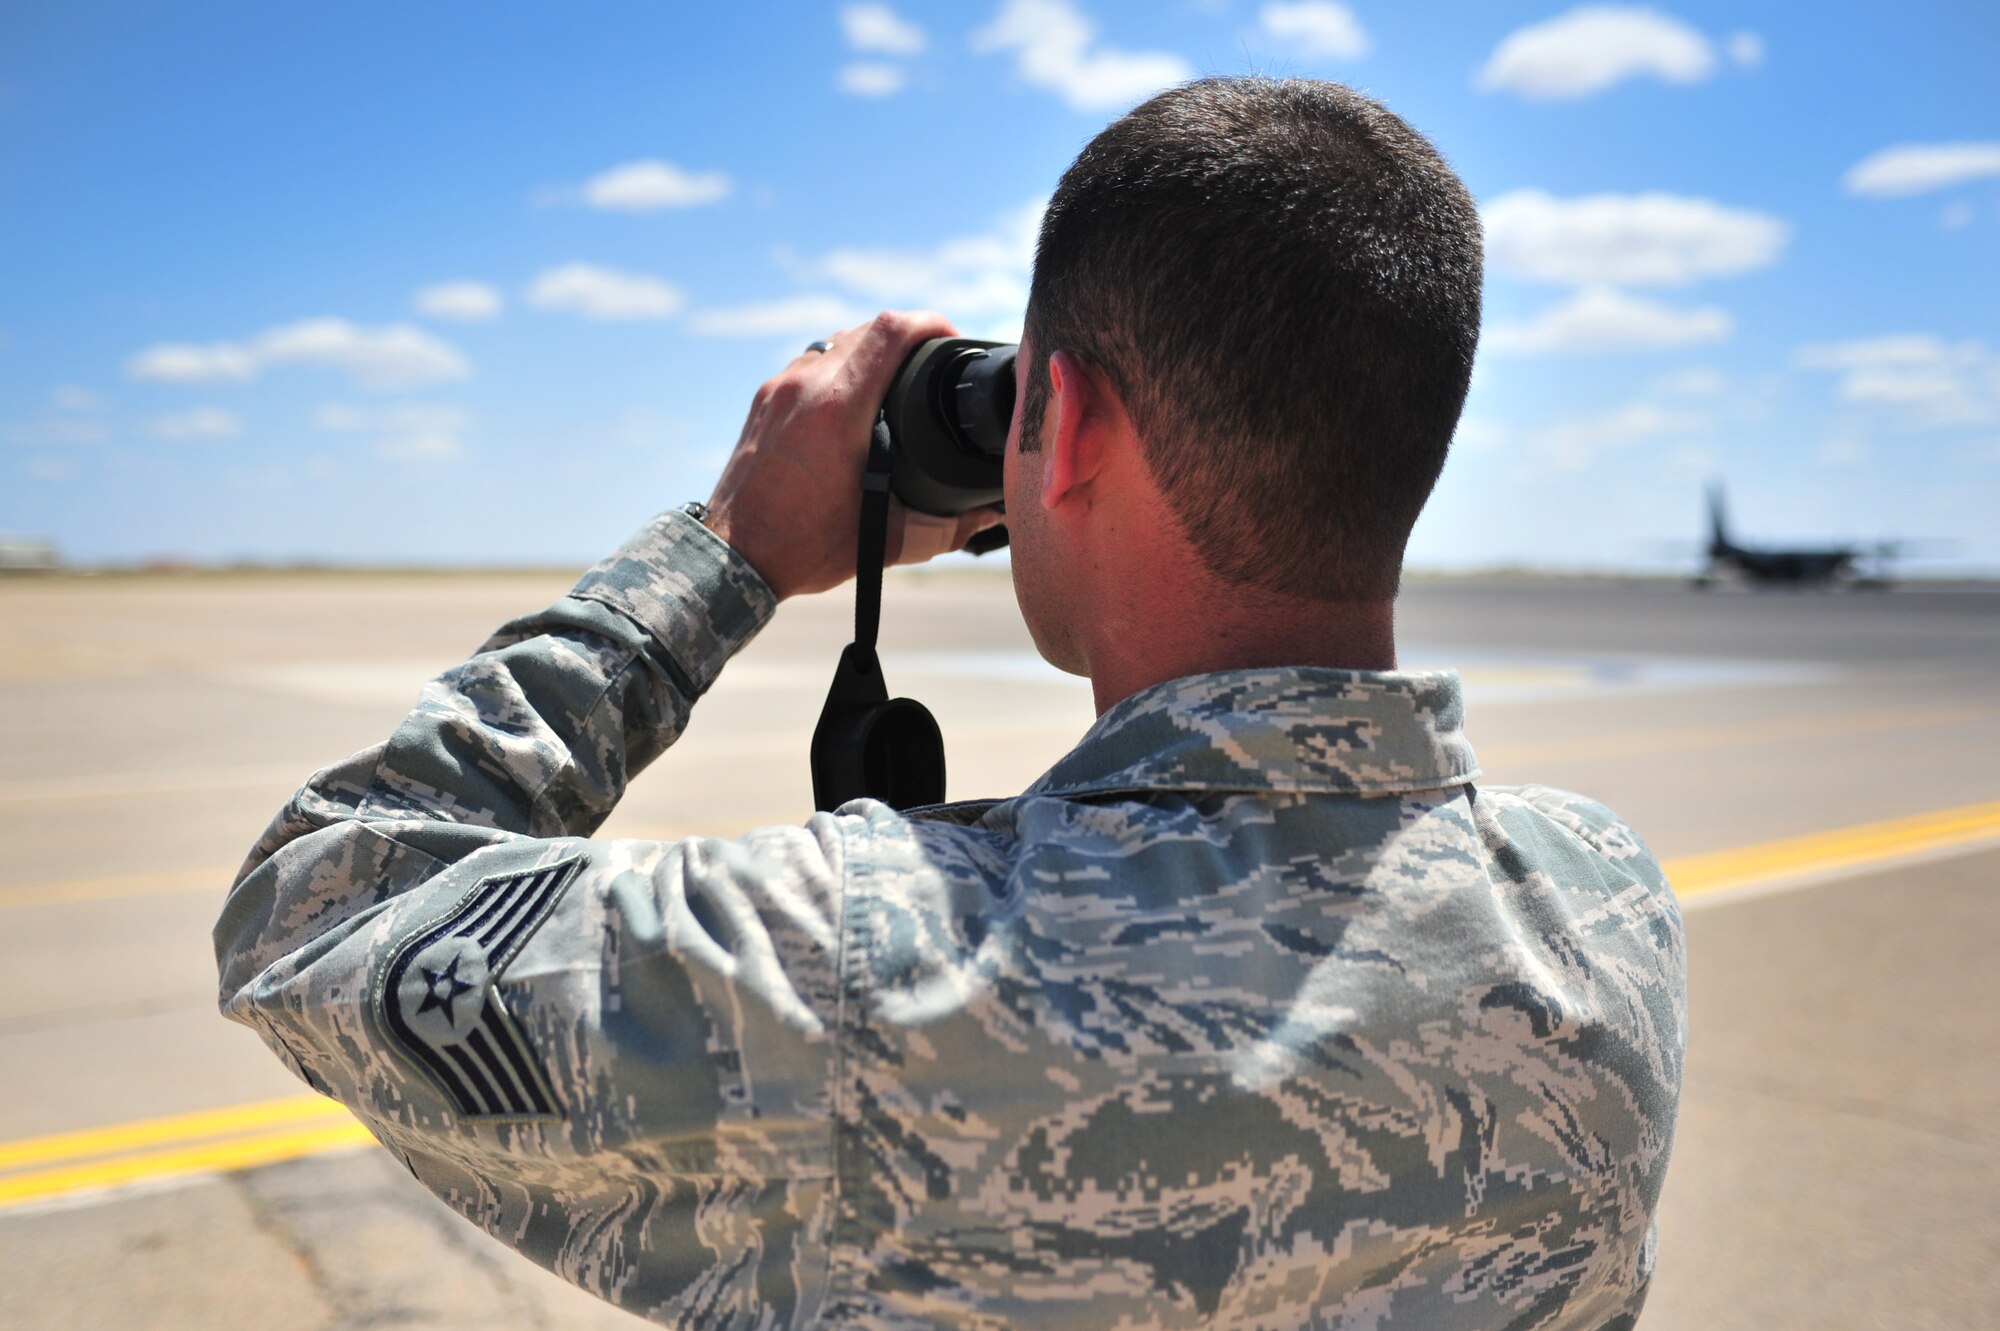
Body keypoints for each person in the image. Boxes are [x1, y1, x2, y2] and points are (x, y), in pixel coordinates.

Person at [216, 77, 1685, 1330]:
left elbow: (315, 913)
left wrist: (725, 551)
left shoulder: (869, 974)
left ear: (1075, 428)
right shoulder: (1601, 908)